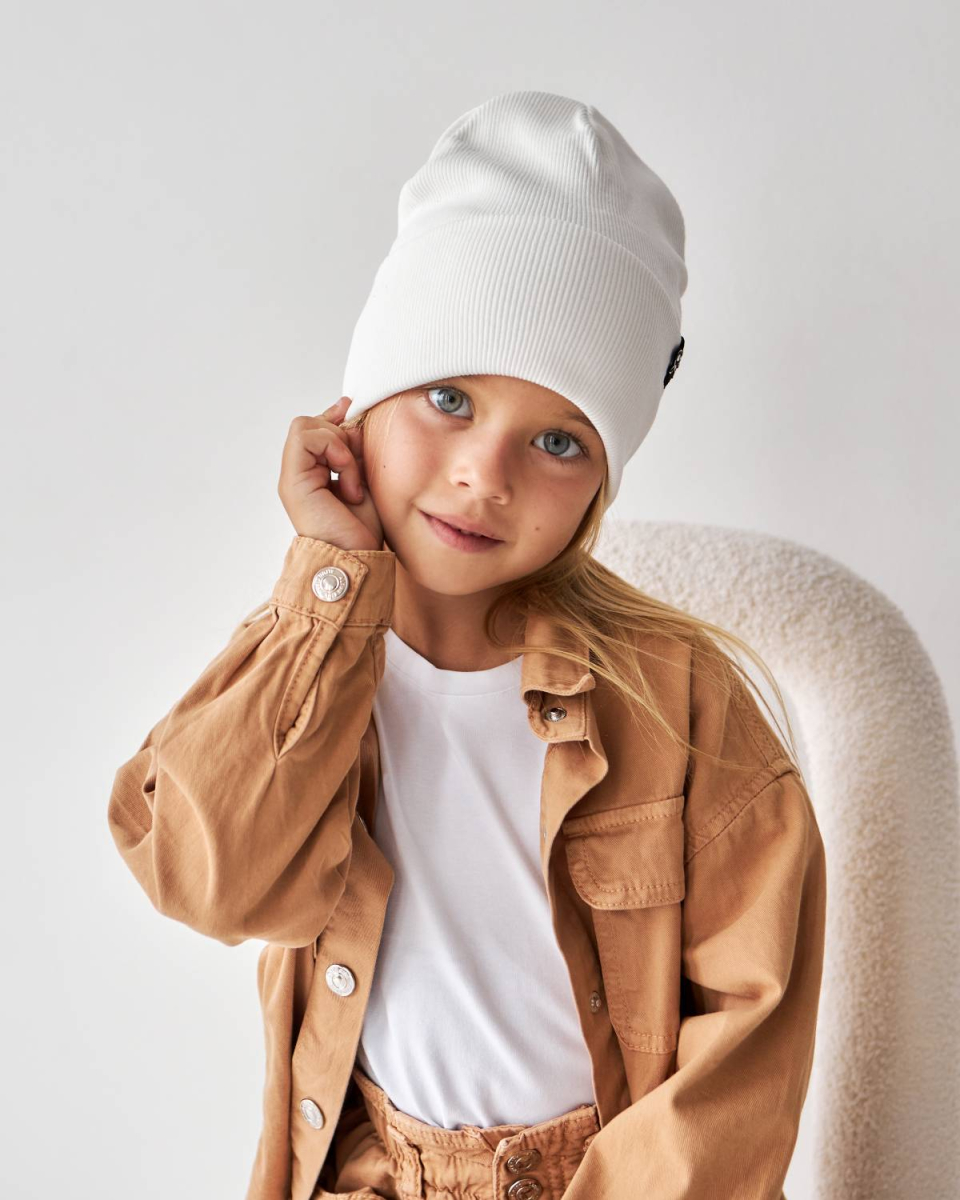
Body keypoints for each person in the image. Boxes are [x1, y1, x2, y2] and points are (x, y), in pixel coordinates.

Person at [107, 91, 826, 1200]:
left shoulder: (682, 701)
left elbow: (745, 1050)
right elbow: (208, 882)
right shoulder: (307, 659)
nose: (485, 476)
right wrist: (328, 586)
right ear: (361, 404)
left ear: (602, 481)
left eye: (558, 441)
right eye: (448, 396)